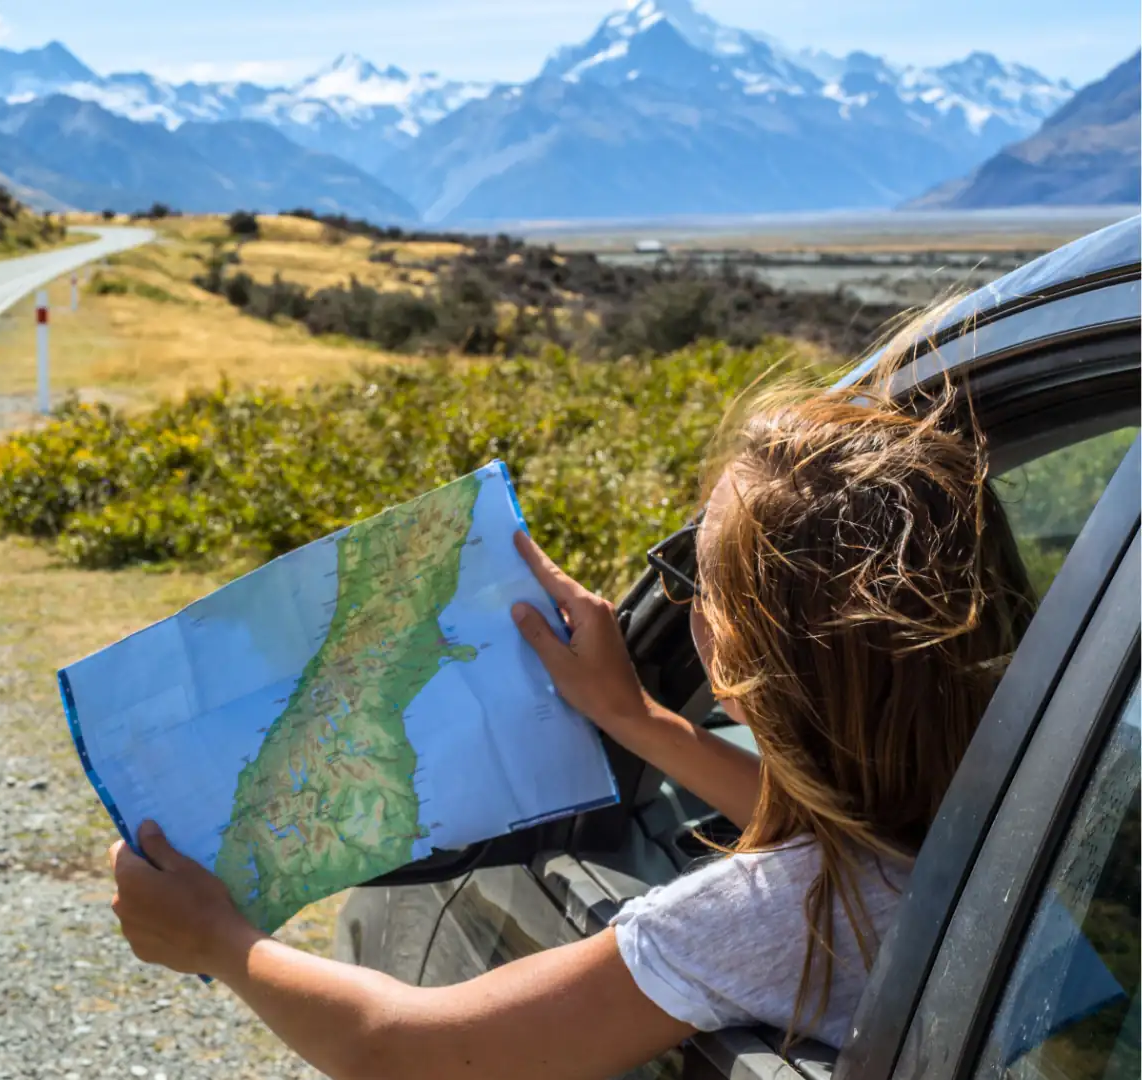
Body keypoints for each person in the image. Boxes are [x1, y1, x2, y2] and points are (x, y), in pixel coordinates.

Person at [104, 355, 1036, 1079]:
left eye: (690, 581)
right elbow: (854, 825)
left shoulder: (776, 917)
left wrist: (220, 943)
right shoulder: (1019, 812)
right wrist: (634, 717)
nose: (680, 601)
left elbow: (404, 1053)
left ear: (736, 664)